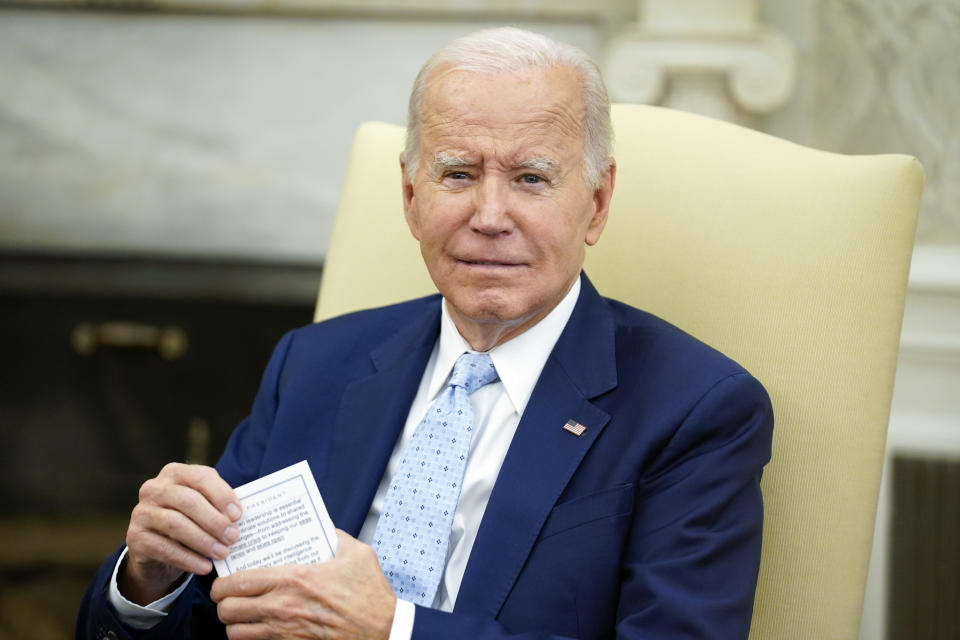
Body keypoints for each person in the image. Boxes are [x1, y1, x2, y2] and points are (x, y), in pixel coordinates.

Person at [77, 27, 773, 640]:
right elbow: (211, 617)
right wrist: (148, 582)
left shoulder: (697, 411)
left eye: (531, 178)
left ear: (596, 203)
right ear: (411, 198)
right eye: (458, 174)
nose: (490, 214)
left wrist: (394, 631)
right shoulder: (314, 364)